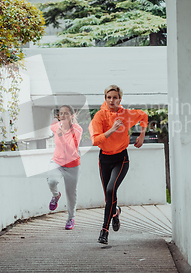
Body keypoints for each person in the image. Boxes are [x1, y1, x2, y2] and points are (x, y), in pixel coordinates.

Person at [89, 85, 148, 244]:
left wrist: (141, 135)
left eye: (115, 97)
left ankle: (104, 230)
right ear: (105, 99)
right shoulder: (100, 116)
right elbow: (95, 140)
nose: (112, 100)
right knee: (109, 196)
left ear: (120, 99)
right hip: (104, 159)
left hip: (121, 159)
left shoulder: (126, 115)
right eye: (109, 97)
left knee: (110, 189)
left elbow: (143, 116)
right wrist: (112, 129)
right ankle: (115, 213)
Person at [47, 105, 83, 230]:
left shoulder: (77, 130)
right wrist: (53, 122)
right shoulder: (56, 126)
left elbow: (71, 149)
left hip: (72, 165)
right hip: (57, 162)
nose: (63, 116)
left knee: (71, 193)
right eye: (61, 113)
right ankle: (56, 196)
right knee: (52, 181)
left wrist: (61, 137)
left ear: (71, 116)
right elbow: (52, 125)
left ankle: (71, 218)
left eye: (66, 113)